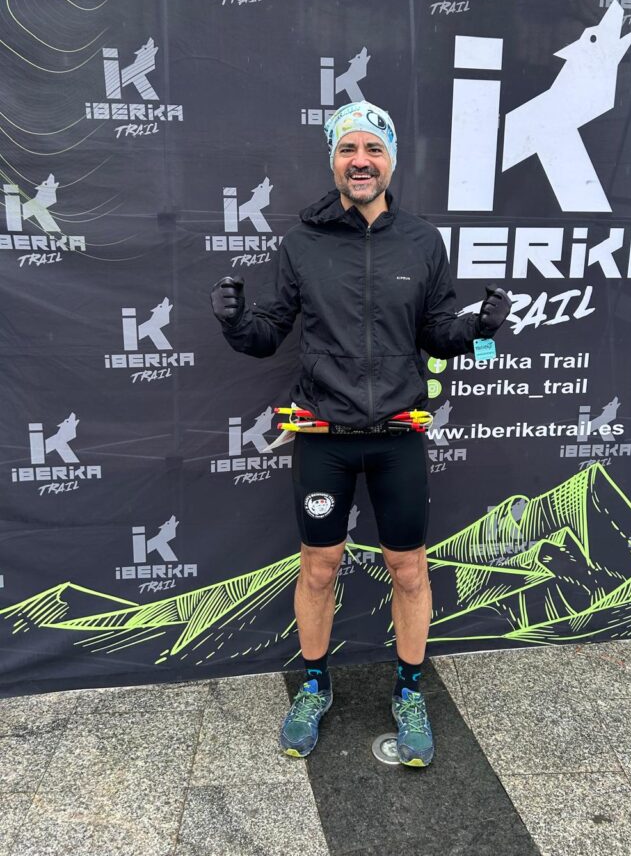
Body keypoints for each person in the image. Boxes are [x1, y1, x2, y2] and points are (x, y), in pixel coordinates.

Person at [210, 102, 510, 767]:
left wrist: (478, 329)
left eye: (374, 148)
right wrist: (235, 323)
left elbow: (437, 332)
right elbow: (269, 334)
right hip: (326, 436)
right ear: (334, 161)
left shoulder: (422, 242)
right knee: (319, 567)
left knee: (409, 568)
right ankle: (315, 685)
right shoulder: (302, 243)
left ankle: (409, 691)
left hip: (398, 436)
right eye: (348, 149)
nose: (361, 160)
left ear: (391, 160)